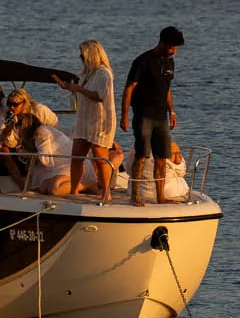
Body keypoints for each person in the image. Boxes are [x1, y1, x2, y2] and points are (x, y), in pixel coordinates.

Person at [121, 26, 184, 207]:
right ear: (162, 43)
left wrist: (171, 111)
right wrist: (124, 115)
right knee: (141, 156)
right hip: (143, 115)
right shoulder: (143, 61)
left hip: (161, 116)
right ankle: (135, 197)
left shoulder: (170, 62)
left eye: (176, 49)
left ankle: (161, 197)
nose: (173, 51)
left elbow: (167, 89)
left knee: (162, 158)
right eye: (171, 47)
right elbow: (129, 88)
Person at [56, 40, 119, 202]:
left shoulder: (104, 74)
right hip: (84, 120)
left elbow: (99, 96)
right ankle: (74, 189)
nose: (81, 57)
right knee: (77, 156)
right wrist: (70, 88)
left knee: (99, 158)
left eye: (83, 54)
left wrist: (78, 89)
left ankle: (106, 192)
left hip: (100, 121)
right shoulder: (86, 74)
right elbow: (82, 94)